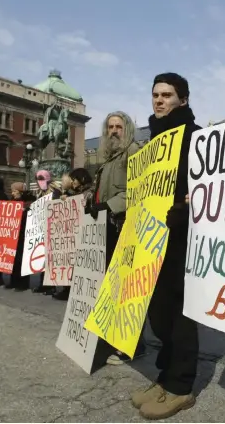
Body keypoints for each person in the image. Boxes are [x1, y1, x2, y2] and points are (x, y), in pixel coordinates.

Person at [130, 73, 201, 420]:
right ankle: (164, 376)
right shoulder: (152, 142)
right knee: (158, 312)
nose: (159, 100)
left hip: (181, 236)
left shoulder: (196, 136)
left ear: (182, 100)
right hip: (151, 237)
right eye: (155, 94)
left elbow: (208, 185)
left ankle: (181, 387)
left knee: (180, 314)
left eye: (167, 95)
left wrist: (187, 204)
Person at [87, 111, 146, 365]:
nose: (114, 131)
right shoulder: (108, 158)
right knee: (110, 286)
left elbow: (139, 188)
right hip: (107, 227)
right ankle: (113, 336)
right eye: (110, 126)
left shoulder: (133, 152)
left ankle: (132, 345)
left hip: (124, 227)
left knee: (126, 288)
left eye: (118, 126)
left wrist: (110, 205)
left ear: (127, 129)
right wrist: (92, 201)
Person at [52, 168, 94, 301]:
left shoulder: (90, 192)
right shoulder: (75, 193)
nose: (72, 182)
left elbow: (85, 206)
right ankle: (68, 289)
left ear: (81, 179)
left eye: (74, 179)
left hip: (86, 234)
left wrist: (70, 199)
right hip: (74, 234)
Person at [31, 170, 61, 295]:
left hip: (53, 228)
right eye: (38, 179)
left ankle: (51, 286)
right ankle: (43, 284)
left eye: (42, 178)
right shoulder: (40, 193)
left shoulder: (55, 192)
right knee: (43, 258)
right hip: (41, 229)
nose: (40, 181)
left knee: (51, 259)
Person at [5, 182, 36, 291]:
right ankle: (13, 281)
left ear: (20, 192)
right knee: (14, 259)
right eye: (12, 191)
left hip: (24, 234)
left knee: (22, 260)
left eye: (14, 191)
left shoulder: (29, 202)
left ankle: (23, 283)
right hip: (14, 234)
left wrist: (25, 211)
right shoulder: (13, 202)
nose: (12, 193)